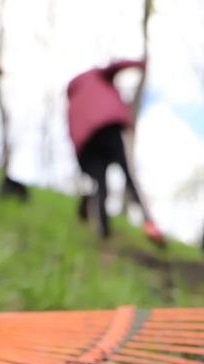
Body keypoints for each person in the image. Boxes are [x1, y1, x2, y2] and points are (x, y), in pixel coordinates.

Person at [67, 59, 165, 246]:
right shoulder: (96, 74)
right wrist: (139, 63)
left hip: (86, 143)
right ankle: (150, 224)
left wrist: (81, 158)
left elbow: (70, 129)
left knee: (100, 184)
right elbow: (116, 66)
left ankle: (103, 230)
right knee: (129, 175)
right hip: (109, 127)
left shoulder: (73, 97)